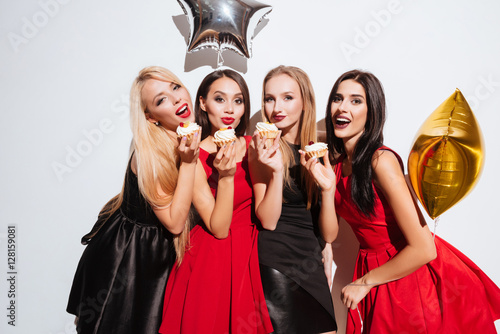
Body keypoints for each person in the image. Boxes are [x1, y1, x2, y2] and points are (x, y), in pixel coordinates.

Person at [300, 69, 500, 333]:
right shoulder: (335, 164)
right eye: (338, 99)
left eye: (356, 101)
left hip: (406, 273)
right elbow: (330, 233)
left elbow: (424, 248)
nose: (342, 108)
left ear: (372, 113)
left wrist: (364, 282)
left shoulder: (381, 162)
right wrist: (326, 189)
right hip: (372, 271)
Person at [66, 66, 201, 334]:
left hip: (158, 257)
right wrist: (188, 163)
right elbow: (175, 223)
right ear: (151, 117)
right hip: (129, 262)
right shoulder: (150, 155)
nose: (176, 98)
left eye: (175, 87)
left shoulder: (190, 135)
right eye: (161, 99)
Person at [159, 69, 273, 334]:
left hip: (249, 250)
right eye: (219, 99)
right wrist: (226, 176)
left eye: (238, 100)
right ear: (202, 103)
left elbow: (267, 212)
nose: (230, 109)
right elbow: (219, 228)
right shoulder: (193, 155)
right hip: (211, 255)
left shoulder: (253, 144)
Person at [249, 65, 337, 333]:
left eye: (287, 97)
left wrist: (328, 191)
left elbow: (330, 234)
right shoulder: (260, 146)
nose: (277, 106)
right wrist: (276, 171)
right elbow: (268, 220)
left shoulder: (319, 148)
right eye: (269, 98)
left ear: (305, 101)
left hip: (311, 262)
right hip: (278, 264)